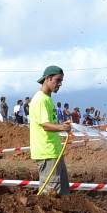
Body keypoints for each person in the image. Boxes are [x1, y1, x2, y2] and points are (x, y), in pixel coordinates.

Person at [29, 66, 72, 195]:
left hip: (54, 151)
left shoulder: (47, 99)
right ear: (48, 79)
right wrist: (62, 127)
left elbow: (49, 123)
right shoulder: (40, 99)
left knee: (62, 193)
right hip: (47, 153)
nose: (60, 84)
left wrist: (60, 125)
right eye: (58, 80)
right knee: (51, 195)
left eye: (61, 81)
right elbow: (45, 125)